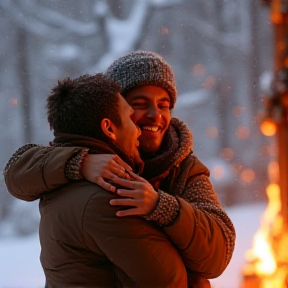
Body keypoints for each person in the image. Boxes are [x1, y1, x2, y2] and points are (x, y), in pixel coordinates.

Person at [4, 51, 236, 287]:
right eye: (139, 104)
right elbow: (17, 173)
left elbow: (218, 253)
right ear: (115, 110)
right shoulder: (88, 165)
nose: (155, 115)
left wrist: (163, 206)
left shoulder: (183, 168)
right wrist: (80, 163)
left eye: (163, 105)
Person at [26, 73, 192, 287]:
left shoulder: (59, 180)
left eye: (164, 105)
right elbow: (170, 279)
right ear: (109, 128)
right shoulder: (110, 198)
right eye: (131, 116)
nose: (138, 130)